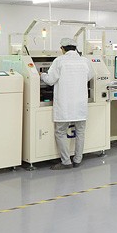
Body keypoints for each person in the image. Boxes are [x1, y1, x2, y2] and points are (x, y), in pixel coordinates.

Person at [41, 38, 94, 170]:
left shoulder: (59, 61)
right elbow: (90, 76)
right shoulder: (85, 61)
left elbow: (50, 80)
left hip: (65, 104)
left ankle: (66, 162)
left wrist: (42, 75)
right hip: (80, 104)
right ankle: (78, 160)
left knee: (60, 132)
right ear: (75, 48)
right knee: (80, 132)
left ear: (62, 49)